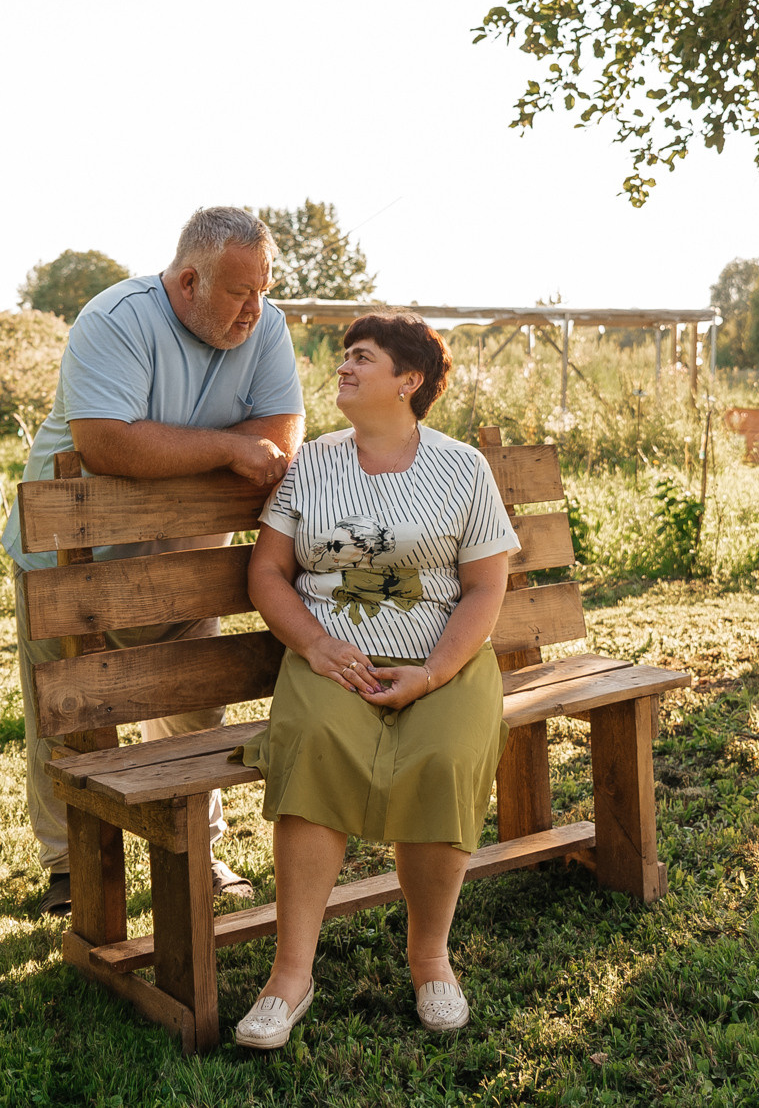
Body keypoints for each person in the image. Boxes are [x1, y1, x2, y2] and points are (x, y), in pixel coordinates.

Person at [2, 206, 306, 916]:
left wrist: (212, 449)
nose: (255, 310)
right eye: (239, 293)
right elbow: (108, 443)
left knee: (193, 706)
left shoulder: (267, 326)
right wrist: (227, 449)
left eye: (264, 289)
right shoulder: (115, 319)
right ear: (189, 280)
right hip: (68, 556)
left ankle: (199, 846)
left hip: (188, 559)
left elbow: (280, 435)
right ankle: (70, 868)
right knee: (67, 710)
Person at [227, 313, 519, 1049]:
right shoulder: (313, 464)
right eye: (344, 356)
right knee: (317, 743)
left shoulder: (460, 469)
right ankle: (289, 978)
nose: (343, 368)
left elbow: (485, 588)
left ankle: (430, 961)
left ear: (408, 381)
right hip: (332, 661)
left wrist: (432, 672)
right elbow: (267, 571)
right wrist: (318, 646)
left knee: (446, 757)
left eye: (362, 358)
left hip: (443, 664)